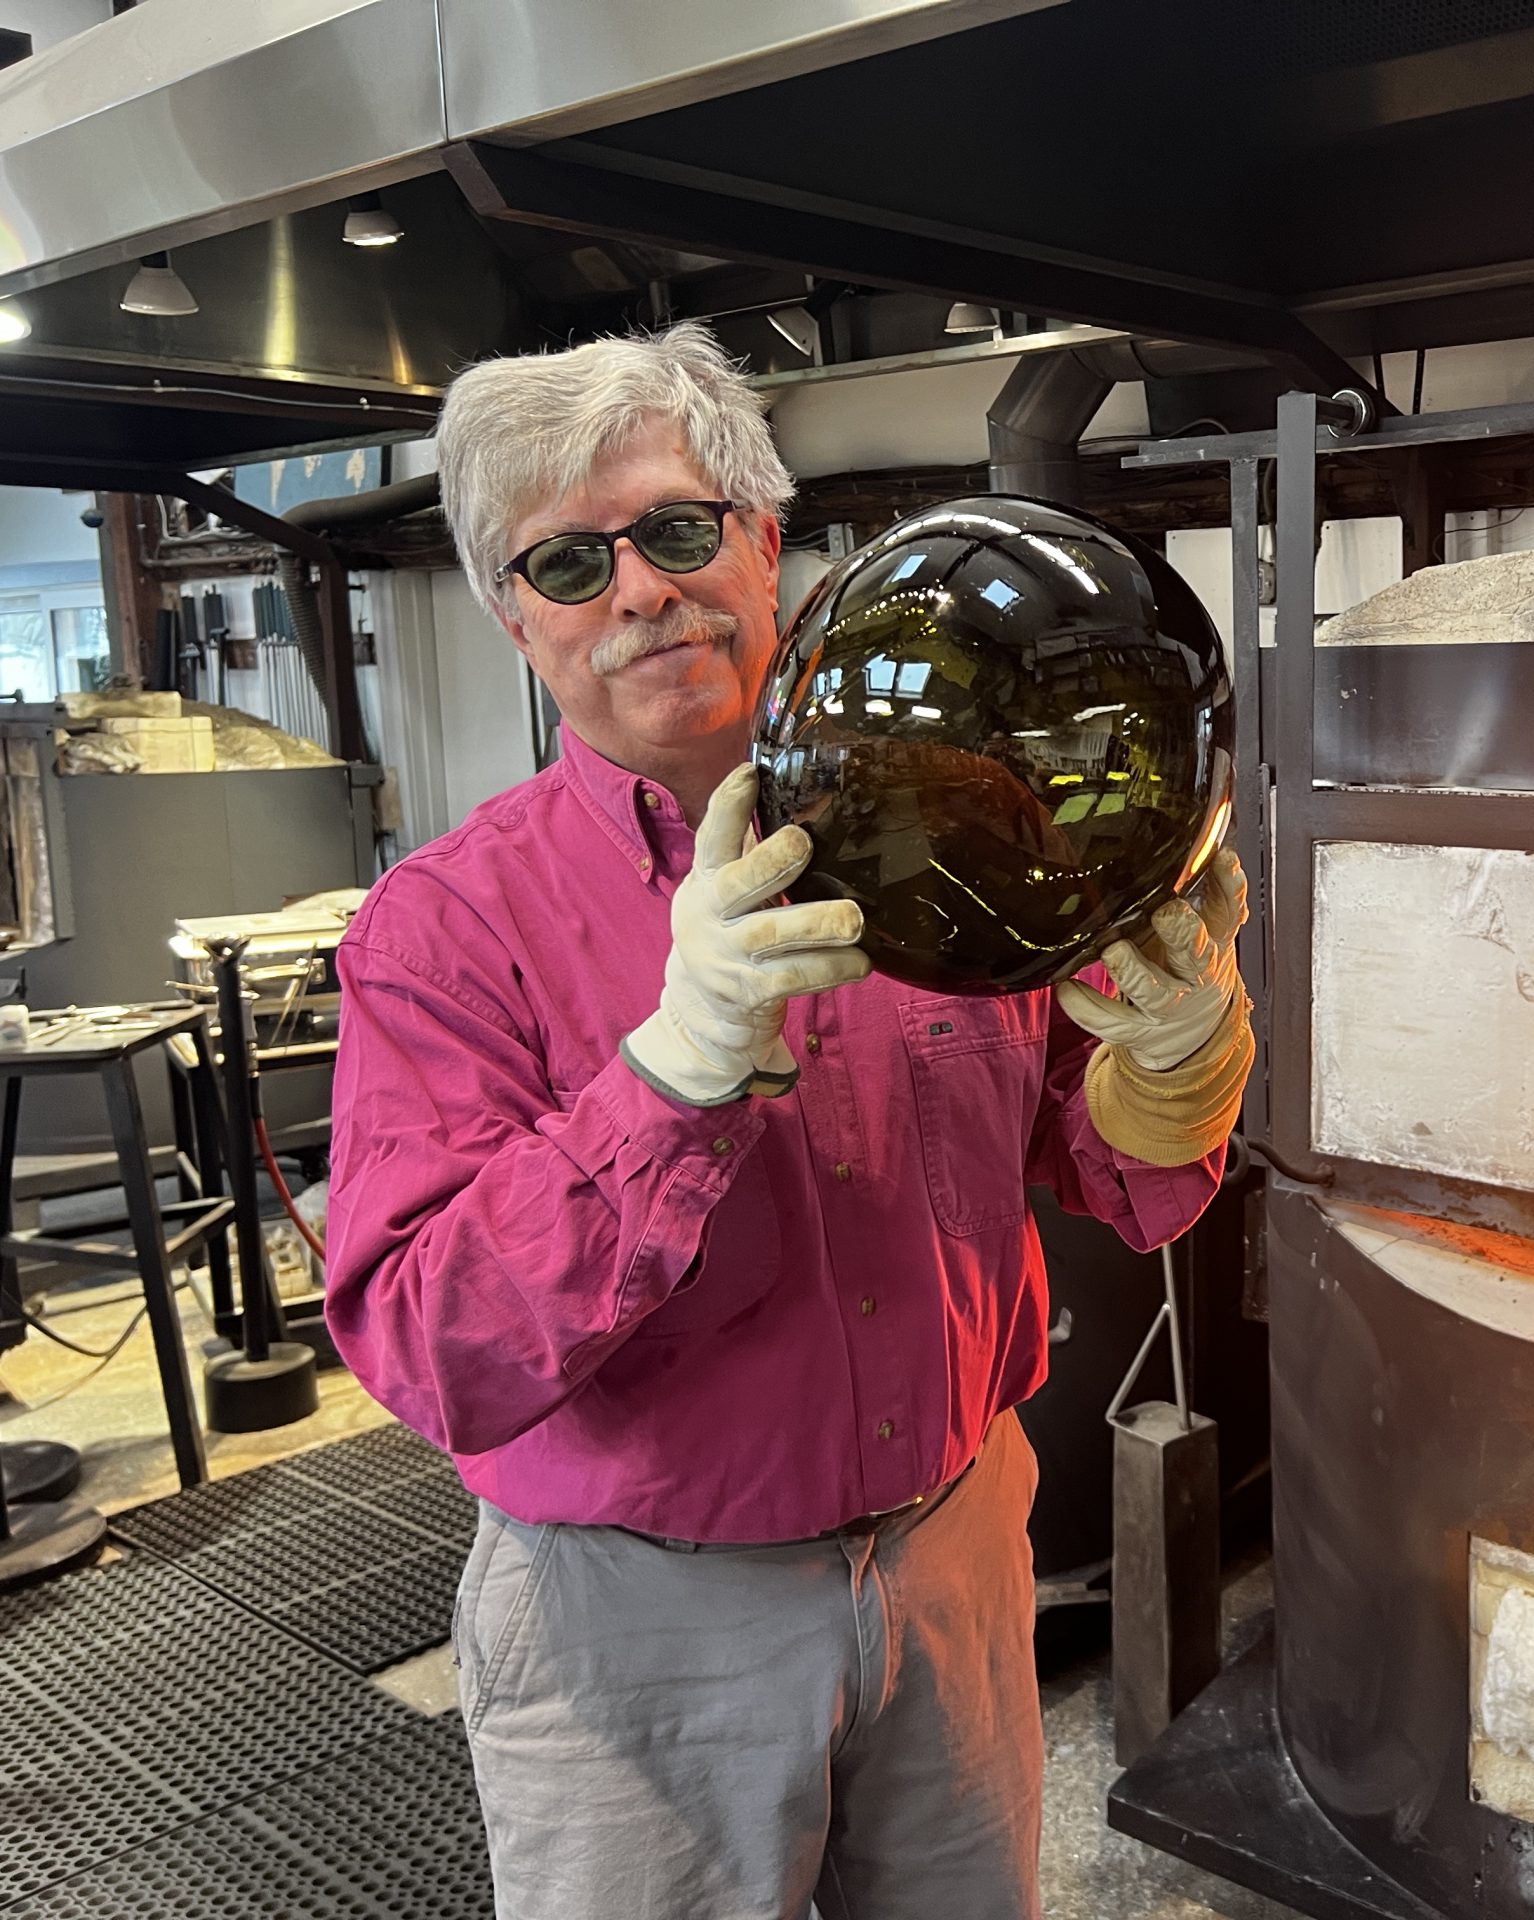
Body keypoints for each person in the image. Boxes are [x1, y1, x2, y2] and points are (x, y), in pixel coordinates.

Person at [324, 323, 1252, 1920]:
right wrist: (669, 1080)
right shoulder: (445, 928)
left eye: (678, 531)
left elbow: (1112, 1167)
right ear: (511, 614)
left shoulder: (960, 823)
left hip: (955, 1558)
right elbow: (429, 1345)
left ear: (764, 545)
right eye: (568, 561)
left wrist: (1179, 1062)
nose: (640, 590)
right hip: (640, 1631)